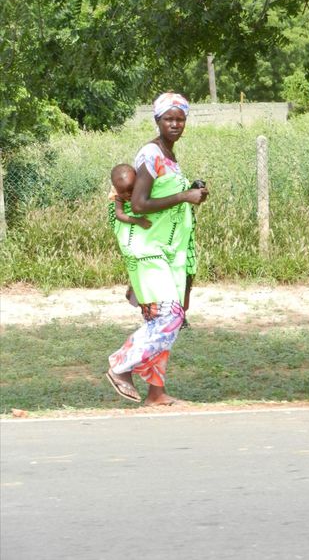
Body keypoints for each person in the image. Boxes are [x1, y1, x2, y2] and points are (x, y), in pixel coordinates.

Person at [106, 92, 208, 406]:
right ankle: (120, 366)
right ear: (157, 121)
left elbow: (166, 196)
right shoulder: (151, 154)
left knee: (164, 321)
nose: (175, 124)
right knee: (170, 315)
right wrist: (184, 198)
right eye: (169, 119)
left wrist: (193, 193)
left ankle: (156, 392)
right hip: (150, 250)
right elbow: (139, 203)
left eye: (180, 119)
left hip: (169, 250)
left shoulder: (168, 155)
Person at [108, 163, 152, 309]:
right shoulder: (118, 195)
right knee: (135, 260)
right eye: (123, 192)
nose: (129, 194)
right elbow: (119, 215)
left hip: (144, 230)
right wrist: (137, 221)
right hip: (128, 226)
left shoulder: (141, 185)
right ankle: (135, 291)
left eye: (132, 189)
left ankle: (137, 291)